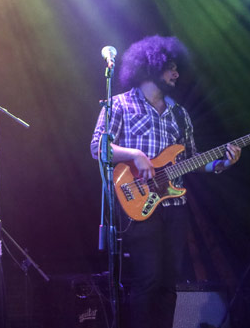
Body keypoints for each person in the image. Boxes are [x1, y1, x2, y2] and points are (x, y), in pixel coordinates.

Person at [90, 36, 240, 328]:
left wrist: (222, 163)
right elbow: (98, 148)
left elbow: (193, 160)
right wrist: (135, 155)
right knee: (147, 280)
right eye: (171, 68)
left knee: (169, 283)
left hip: (175, 205)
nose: (177, 74)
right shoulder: (118, 105)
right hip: (137, 202)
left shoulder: (180, 115)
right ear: (152, 68)